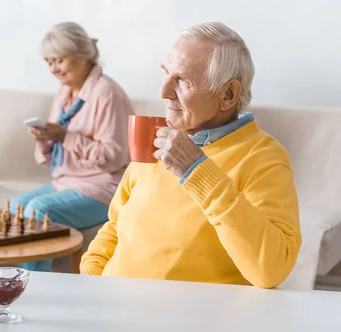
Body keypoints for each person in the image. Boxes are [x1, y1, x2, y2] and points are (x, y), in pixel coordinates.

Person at [81, 21, 302, 288]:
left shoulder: (263, 158)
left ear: (228, 94)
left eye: (182, 80)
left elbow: (271, 269)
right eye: (165, 74)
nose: (163, 92)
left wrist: (196, 169)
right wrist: (94, 279)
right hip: (114, 310)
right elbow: (116, 225)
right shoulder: (157, 139)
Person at [11, 21, 134, 272]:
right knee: (16, 207)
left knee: (39, 211)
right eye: (48, 62)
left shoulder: (106, 93)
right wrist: (45, 139)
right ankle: (22, 277)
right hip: (69, 180)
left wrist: (66, 137)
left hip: (104, 185)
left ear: (81, 55)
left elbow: (114, 157)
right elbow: (50, 159)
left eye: (58, 60)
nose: (53, 68)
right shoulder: (65, 91)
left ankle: (32, 287)